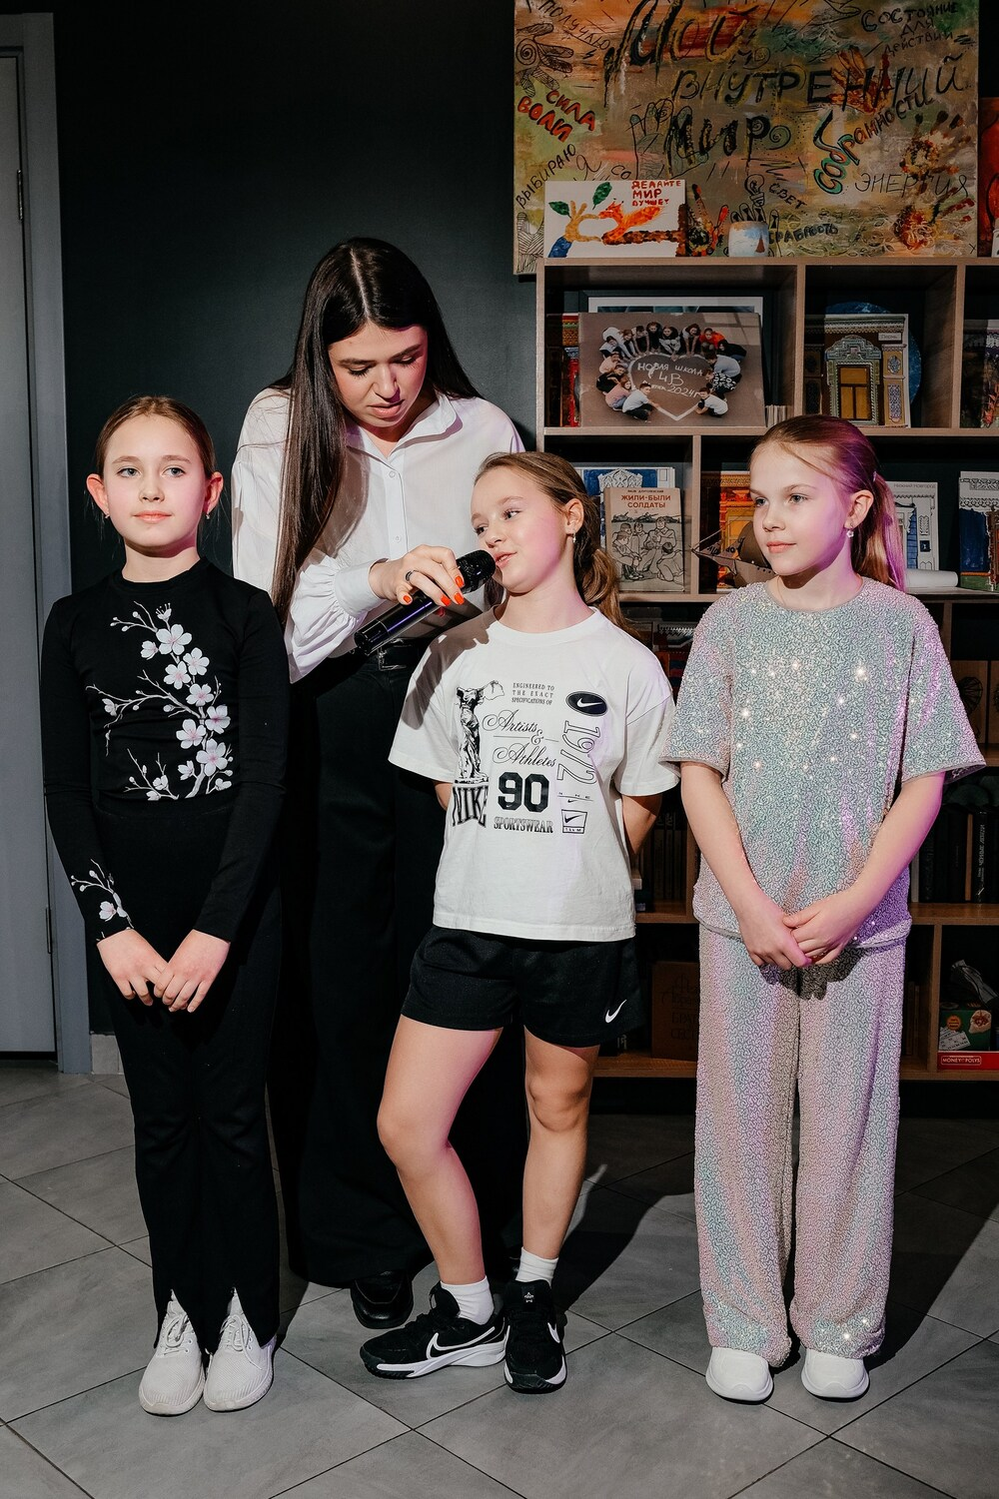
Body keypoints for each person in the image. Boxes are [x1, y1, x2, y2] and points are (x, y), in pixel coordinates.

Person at [230, 237, 527, 1330]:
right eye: (359, 367)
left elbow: (524, 586)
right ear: (321, 359)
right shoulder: (279, 425)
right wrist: (379, 579)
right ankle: (363, 1235)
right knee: (341, 980)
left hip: (465, 720)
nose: (389, 386)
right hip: (334, 727)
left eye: (405, 357)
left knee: (462, 972)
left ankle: (476, 1229)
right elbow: (269, 622)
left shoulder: (485, 429)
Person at [668, 415, 983, 1404]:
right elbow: (697, 770)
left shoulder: (901, 625)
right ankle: (745, 1319)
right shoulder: (728, 623)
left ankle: (839, 1317)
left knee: (851, 1119)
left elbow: (925, 779)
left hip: (862, 924)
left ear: (851, 508)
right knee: (738, 1121)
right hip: (744, 921)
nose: (770, 517)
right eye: (758, 499)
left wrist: (856, 897)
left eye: (795, 497)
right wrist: (749, 901)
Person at [360, 451, 677, 1393]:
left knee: (556, 1107)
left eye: (509, 512)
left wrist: (570, 868)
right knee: (406, 1124)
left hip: (579, 929)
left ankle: (532, 1291)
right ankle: (468, 1308)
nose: (490, 534)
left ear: (571, 516)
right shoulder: (455, 652)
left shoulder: (626, 664)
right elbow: (445, 781)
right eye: (479, 521)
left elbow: (642, 799)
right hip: (467, 923)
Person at [40, 396, 288, 1415]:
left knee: (231, 1116)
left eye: (174, 469)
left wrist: (217, 930)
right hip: (132, 928)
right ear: (99, 494)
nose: (152, 488)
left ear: (211, 491)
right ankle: (181, 1307)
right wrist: (110, 926)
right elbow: (66, 791)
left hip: (234, 917)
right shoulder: (72, 622)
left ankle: (248, 1315)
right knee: (162, 1122)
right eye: (130, 471)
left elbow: (264, 786)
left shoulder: (245, 615)